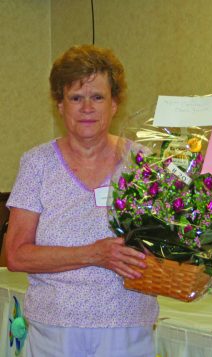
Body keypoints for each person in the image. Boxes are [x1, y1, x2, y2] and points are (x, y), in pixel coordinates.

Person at [5, 45, 159, 357]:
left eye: (98, 97)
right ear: (60, 105)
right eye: (76, 97)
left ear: (115, 104)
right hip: (54, 331)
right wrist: (93, 254)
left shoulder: (142, 162)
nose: (87, 107)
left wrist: (203, 260)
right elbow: (16, 256)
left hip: (128, 327)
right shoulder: (37, 164)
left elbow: (167, 241)